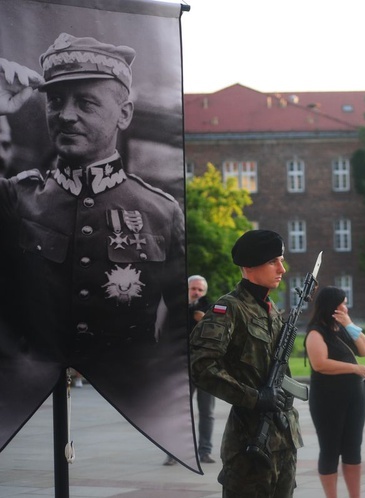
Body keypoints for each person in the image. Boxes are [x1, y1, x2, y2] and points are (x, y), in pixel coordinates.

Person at [0, 35, 185, 360]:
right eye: (55, 101)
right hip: (37, 388)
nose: (66, 115)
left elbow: (180, 325)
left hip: (126, 393)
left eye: (86, 103)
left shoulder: (161, 211)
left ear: (124, 114)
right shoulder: (16, 197)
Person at [190, 230, 302, 497]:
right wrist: (254, 397)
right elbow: (201, 366)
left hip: (283, 439)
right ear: (250, 265)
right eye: (274, 261)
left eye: (282, 260)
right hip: (250, 445)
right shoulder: (228, 310)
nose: (282, 269)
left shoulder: (270, 309)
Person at [304, 286, 365, 498]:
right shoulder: (316, 331)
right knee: (330, 450)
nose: (345, 306)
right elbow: (320, 364)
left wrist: (350, 325)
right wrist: (353, 368)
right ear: (331, 306)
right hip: (328, 399)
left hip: (355, 397)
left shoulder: (341, 327)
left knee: (353, 450)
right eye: (342, 302)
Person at [165, 275, 216, 466]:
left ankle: (205, 451)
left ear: (205, 292)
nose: (197, 292)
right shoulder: (175, 309)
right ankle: (174, 452)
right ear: (187, 289)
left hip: (204, 368)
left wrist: (204, 322)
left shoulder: (210, 309)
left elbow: (216, 337)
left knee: (207, 412)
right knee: (179, 411)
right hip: (181, 368)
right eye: (193, 288)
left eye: (200, 290)